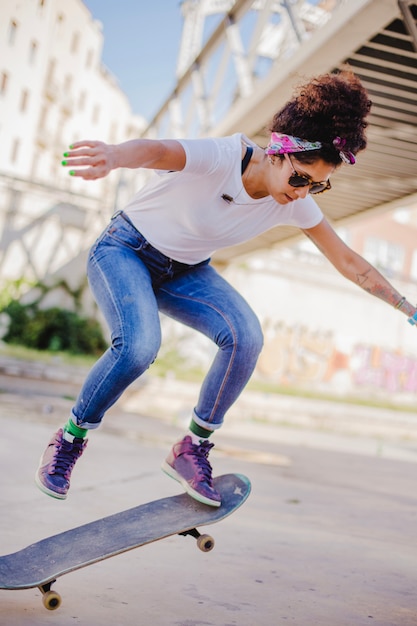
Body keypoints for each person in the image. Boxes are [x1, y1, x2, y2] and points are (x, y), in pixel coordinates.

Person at [35, 69, 417, 507]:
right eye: (300, 179)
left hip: (184, 272)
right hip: (125, 250)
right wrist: (114, 155)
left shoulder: (295, 205)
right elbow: (160, 150)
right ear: (277, 153)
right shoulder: (222, 156)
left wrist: (409, 308)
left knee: (245, 337)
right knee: (138, 347)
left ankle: (191, 449)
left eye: (317, 185)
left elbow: (351, 262)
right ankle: (69, 438)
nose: (303, 192)